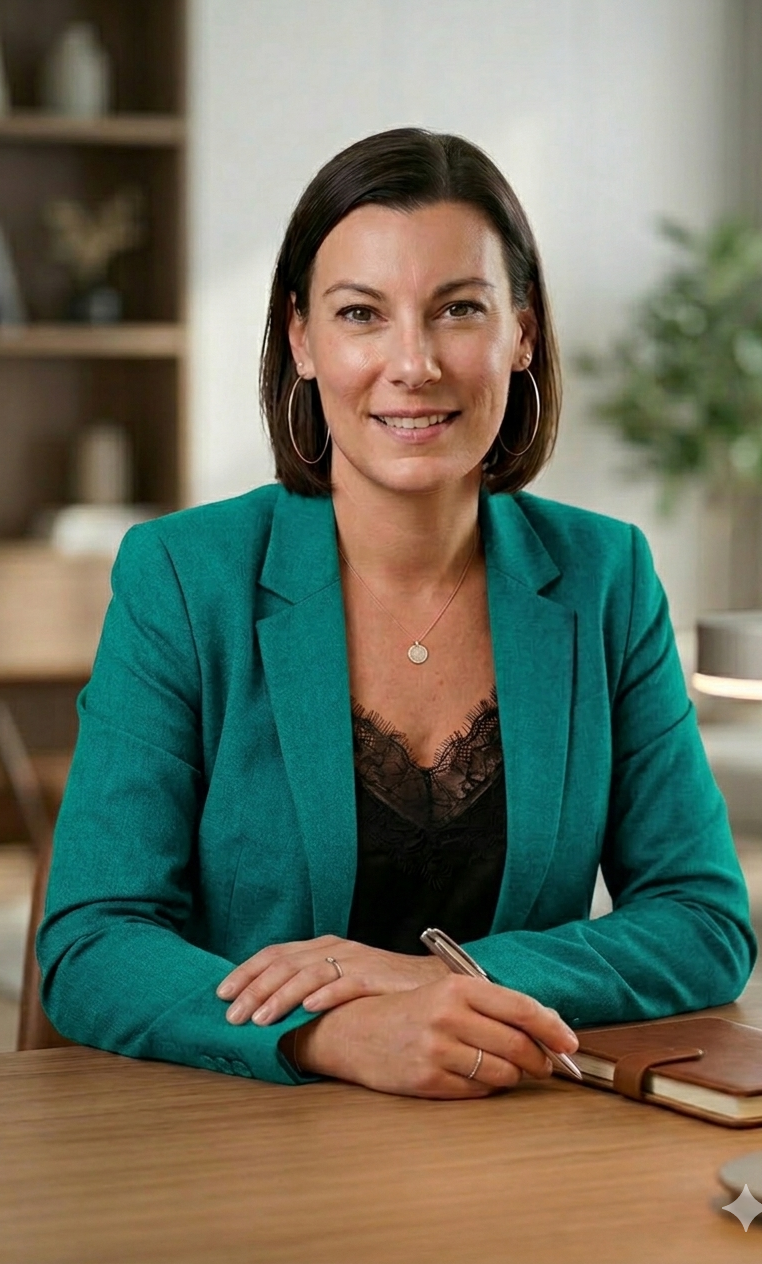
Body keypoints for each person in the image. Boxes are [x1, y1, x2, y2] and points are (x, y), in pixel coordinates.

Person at [38, 127, 756, 1098]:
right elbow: (92, 944)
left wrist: (444, 980)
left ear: (523, 332)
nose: (412, 363)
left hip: (514, 1140)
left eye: (459, 308)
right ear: (302, 338)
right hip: (235, 1145)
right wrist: (331, 1032)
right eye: (361, 313)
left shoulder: (605, 575)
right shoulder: (180, 576)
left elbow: (705, 921)